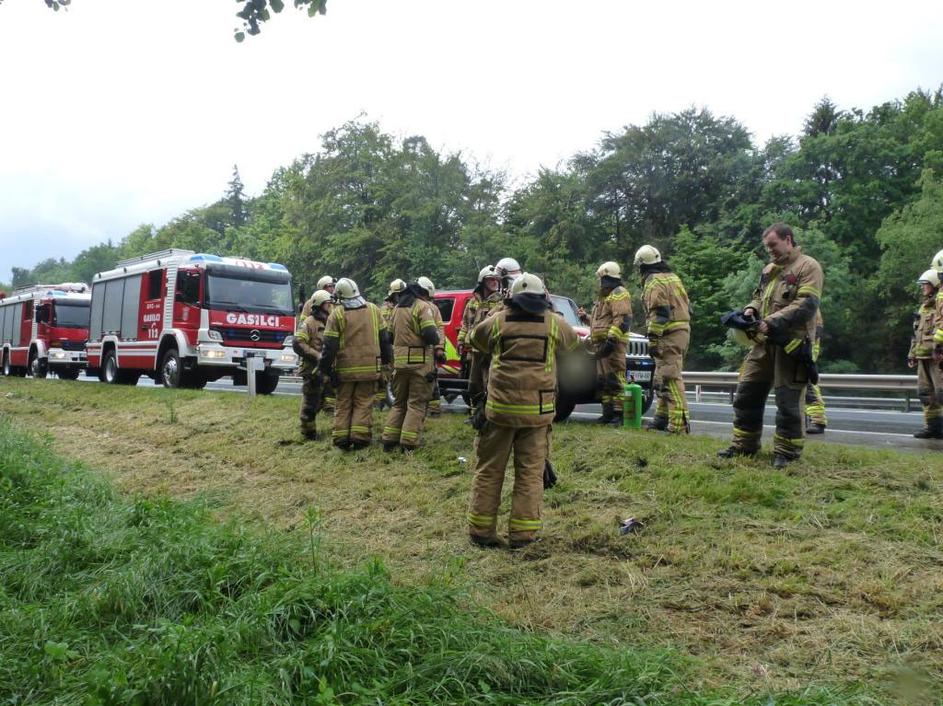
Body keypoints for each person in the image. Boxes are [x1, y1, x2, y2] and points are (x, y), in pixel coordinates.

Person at [466, 273, 579, 549]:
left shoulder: (497, 322)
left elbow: (475, 341)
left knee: (489, 471)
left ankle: (481, 531)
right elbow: (574, 346)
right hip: (537, 413)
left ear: (511, 298)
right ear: (543, 298)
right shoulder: (554, 323)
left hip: (499, 411)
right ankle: (523, 536)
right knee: (530, 474)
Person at [718, 223, 825, 469]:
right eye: (767, 247)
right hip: (763, 343)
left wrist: (772, 321)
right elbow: (759, 296)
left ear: (788, 240)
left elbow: (807, 304)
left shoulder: (808, 267)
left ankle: (787, 453)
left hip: (792, 344)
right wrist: (750, 310)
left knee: (788, 402)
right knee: (746, 393)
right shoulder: (769, 269)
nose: (770, 251)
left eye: (773, 245)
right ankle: (744, 445)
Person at [320, 278, 392, 450]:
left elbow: (329, 346)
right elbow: (385, 340)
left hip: (344, 370)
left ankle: (341, 439)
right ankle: (360, 438)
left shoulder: (336, 314)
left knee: (343, 403)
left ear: (339, 295)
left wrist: (325, 369)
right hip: (370, 368)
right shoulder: (374, 310)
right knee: (364, 403)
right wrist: (386, 363)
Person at [634, 245, 691, 433]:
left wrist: (653, 338)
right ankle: (661, 418)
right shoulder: (673, 277)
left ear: (642, 265)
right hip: (681, 330)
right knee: (663, 376)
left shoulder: (653, 281)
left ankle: (678, 425)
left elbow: (660, 313)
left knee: (670, 378)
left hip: (668, 333)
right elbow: (687, 306)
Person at [382, 277, 443, 452]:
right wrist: (436, 340)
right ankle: (408, 443)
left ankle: (389, 439)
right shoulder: (422, 307)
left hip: (399, 364)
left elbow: (389, 337)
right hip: (419, 364)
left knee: (399, 403)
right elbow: (431, 335)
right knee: (416, 403)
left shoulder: (397, 309)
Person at [588, 261, 632, 424]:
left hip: (612, 345)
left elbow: (622, 319)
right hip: (602, 346)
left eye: (600, 279)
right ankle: (608, 413)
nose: (599, 283)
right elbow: (602, 322)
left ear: (606, 278)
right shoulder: (604, 297)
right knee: (604, 381)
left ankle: (620, 414)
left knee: (615, 379)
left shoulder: (619, 293)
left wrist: (611, 341)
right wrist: (586, 318)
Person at [459, 265, 503, 410]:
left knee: (489, 383)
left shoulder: (501, 303)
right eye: (491, 279)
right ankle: (476, 413)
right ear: (482, 281)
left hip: (491, 350)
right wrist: (461, 341)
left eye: (496, 279)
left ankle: (488, 415)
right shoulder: (472, 302)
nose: (495, 282)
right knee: (474, 384)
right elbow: (466, 323)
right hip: (474, 350)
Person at [293, 289, 332, 439]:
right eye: (327, 304)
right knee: (310, 403)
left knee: (326, 401)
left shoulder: (329, 321)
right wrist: (316, 355)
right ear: (320, 305)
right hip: (312, 370)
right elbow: (298, 343)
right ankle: (308, 433)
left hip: (325, 369)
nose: (330, 306)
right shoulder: (309, 322)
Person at [908, 269, 943, 438]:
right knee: (925, 394)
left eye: (925, 284)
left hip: (937, 358)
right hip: (922, 357)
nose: (922, 287)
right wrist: (912, 354)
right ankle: (933, 427)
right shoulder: (923, 308)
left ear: (934, 285)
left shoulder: (939, 305)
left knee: (941, 393)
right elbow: (917, 333)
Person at [375, 279, 406, 408]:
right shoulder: (382, 310)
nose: (398, 297)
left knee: (398, 375)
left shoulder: (404, 308)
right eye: (396, 294)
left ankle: (397, 401)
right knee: (384, 375)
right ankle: (379, 404)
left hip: (399, 348)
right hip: (385, 347)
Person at [804, 311, 828, 434]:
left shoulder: (809, 305)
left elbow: (817, 327)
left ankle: (818, 421)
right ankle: (804, 419)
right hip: (802, 342)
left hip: (807, 343)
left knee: (808, 383)